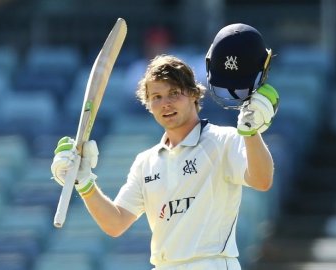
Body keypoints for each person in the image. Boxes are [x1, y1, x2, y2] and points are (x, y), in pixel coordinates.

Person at [51, 23, 279, 270]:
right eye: (156, 97)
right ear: (148, 105)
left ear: (193, 94)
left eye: (174, 93)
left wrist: (251, 132)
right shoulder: (146, 162)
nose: (165, 104)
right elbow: (115, 224)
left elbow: (261, 180)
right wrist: (84, 182)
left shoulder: (223, 140)